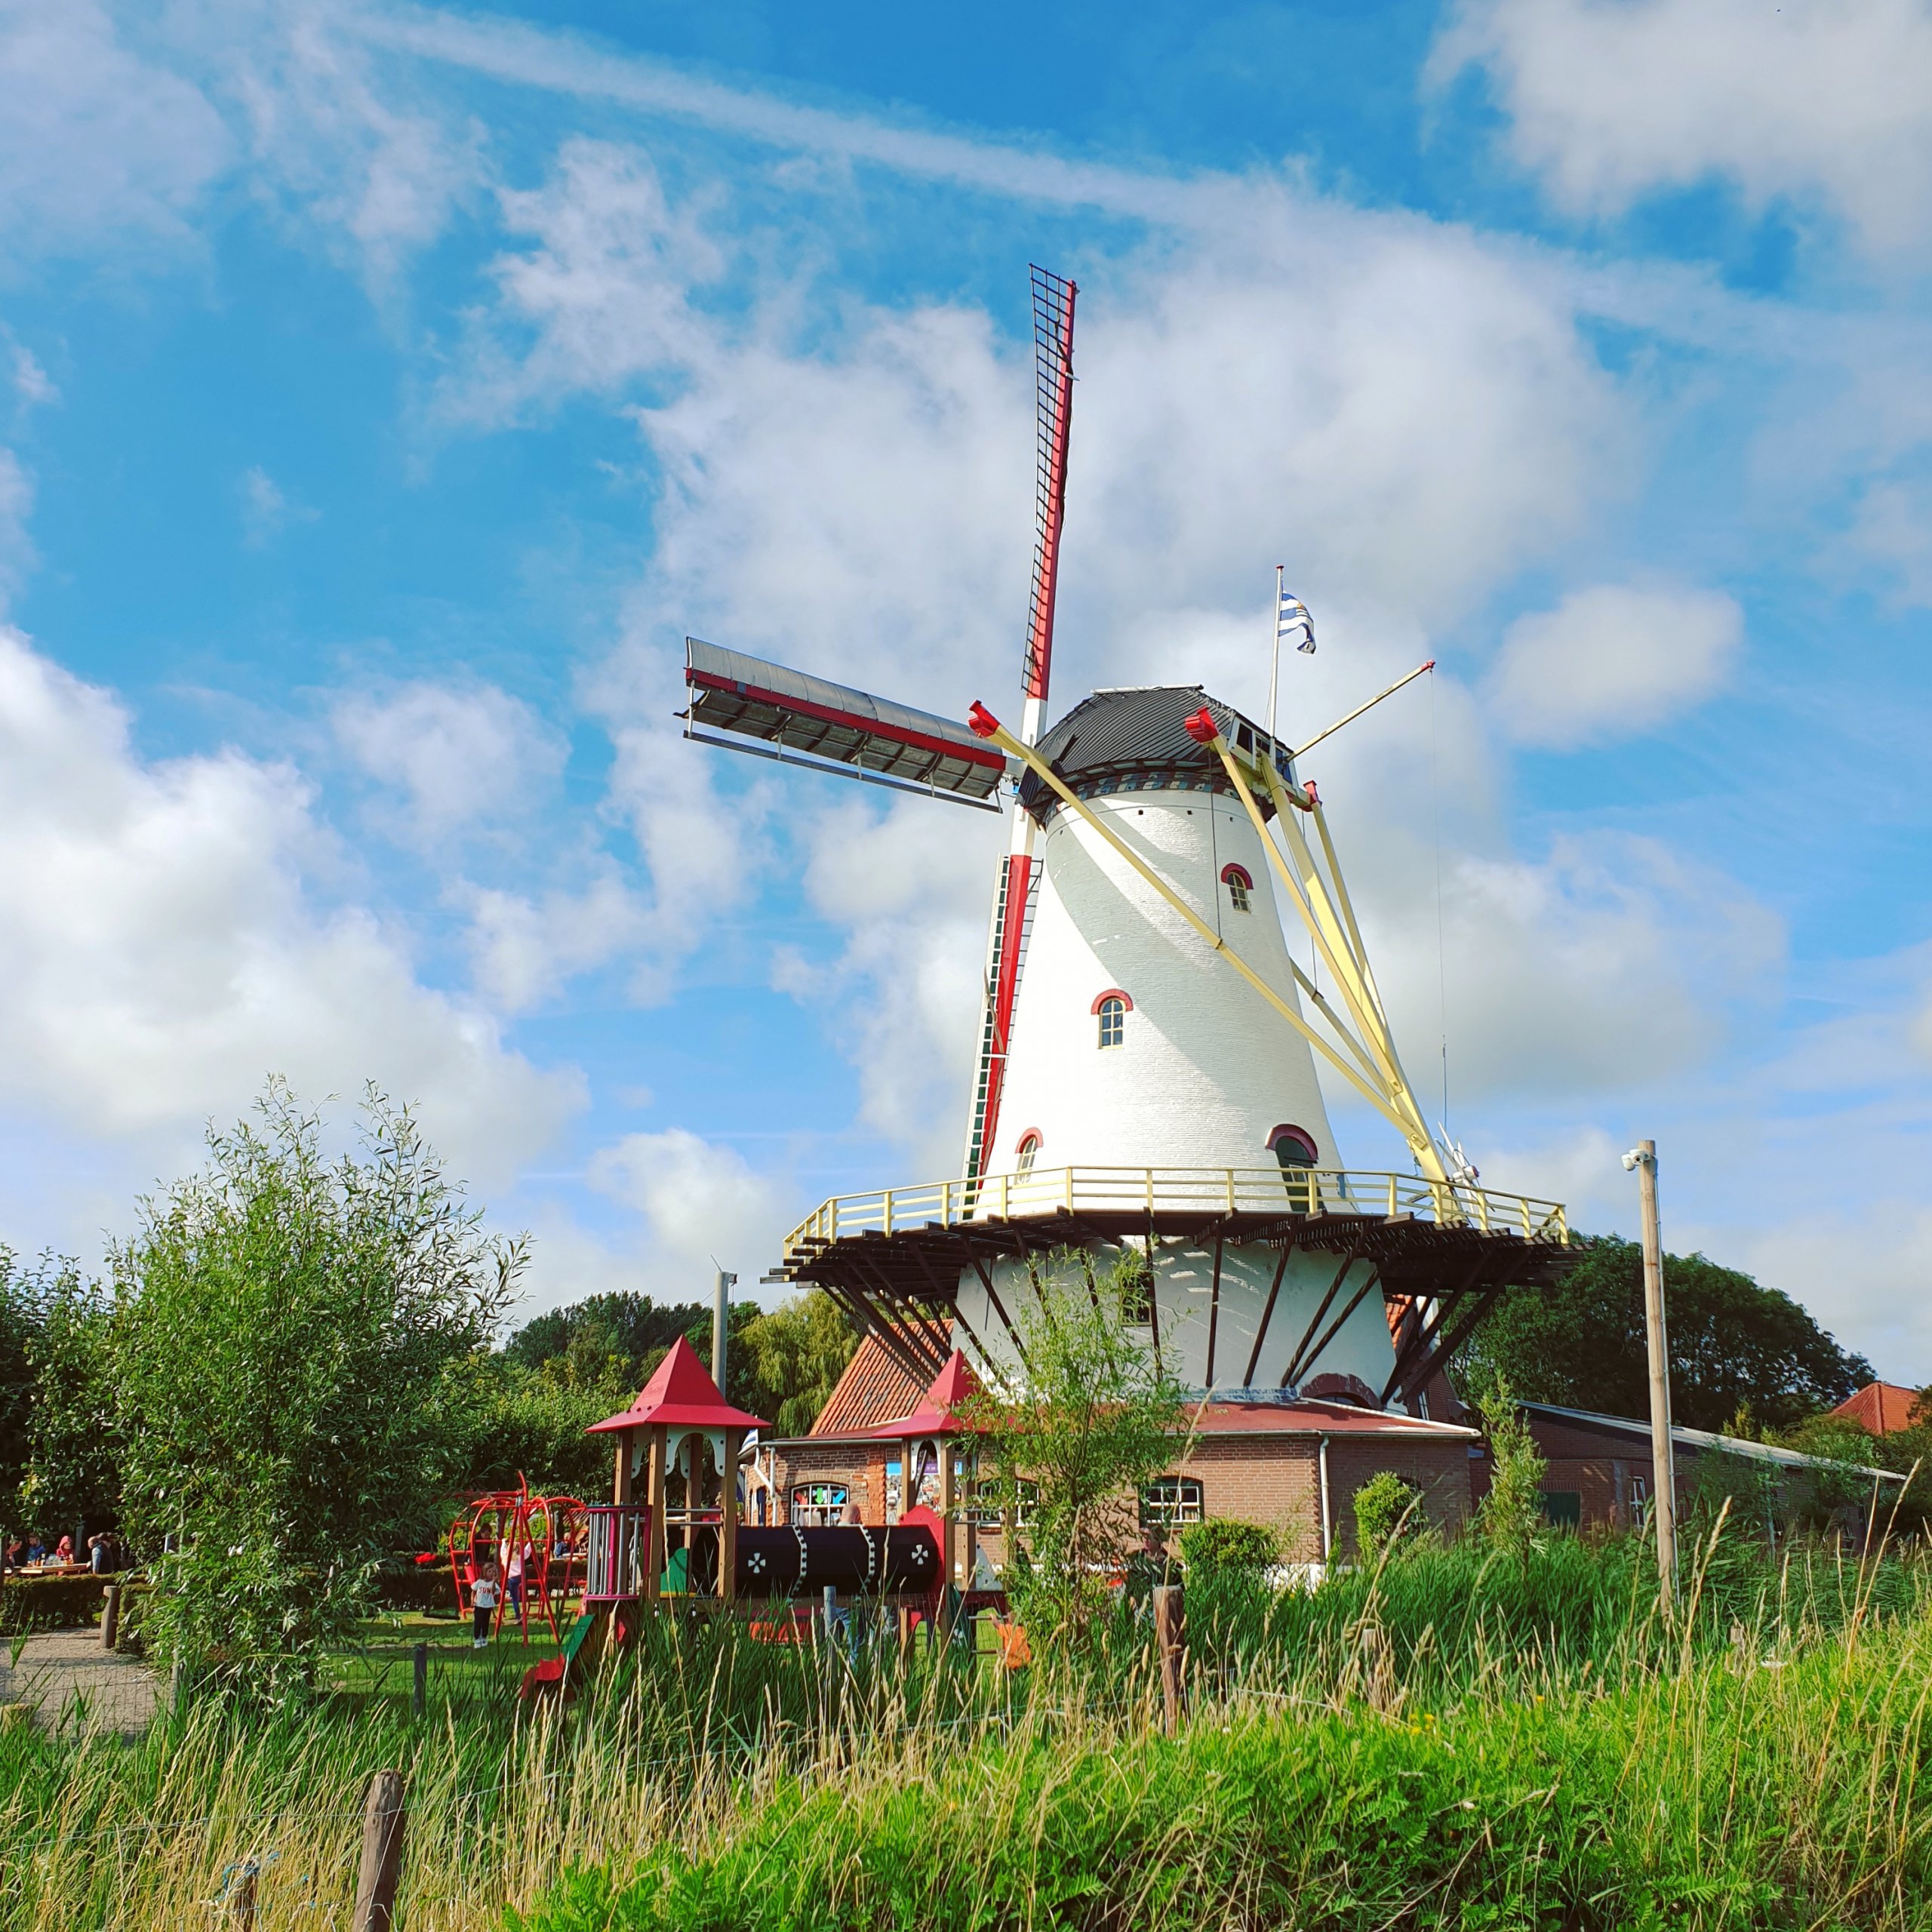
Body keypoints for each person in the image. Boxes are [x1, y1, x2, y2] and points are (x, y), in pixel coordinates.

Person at [471, 1558, 500, 1649]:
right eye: (489, 1571)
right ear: (484, 1572)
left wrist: (494, 1583)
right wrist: (472, 1601)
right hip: (479, 1605)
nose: (491, 1574)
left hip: (488, 1606)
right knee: (478, 1622)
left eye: (493, 1572)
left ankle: (484, 1637)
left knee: (485, 1622)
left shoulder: (493, 1583)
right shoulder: (479, 1582)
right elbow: (473, 1591)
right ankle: (477, 1638)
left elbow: (493, 1592)